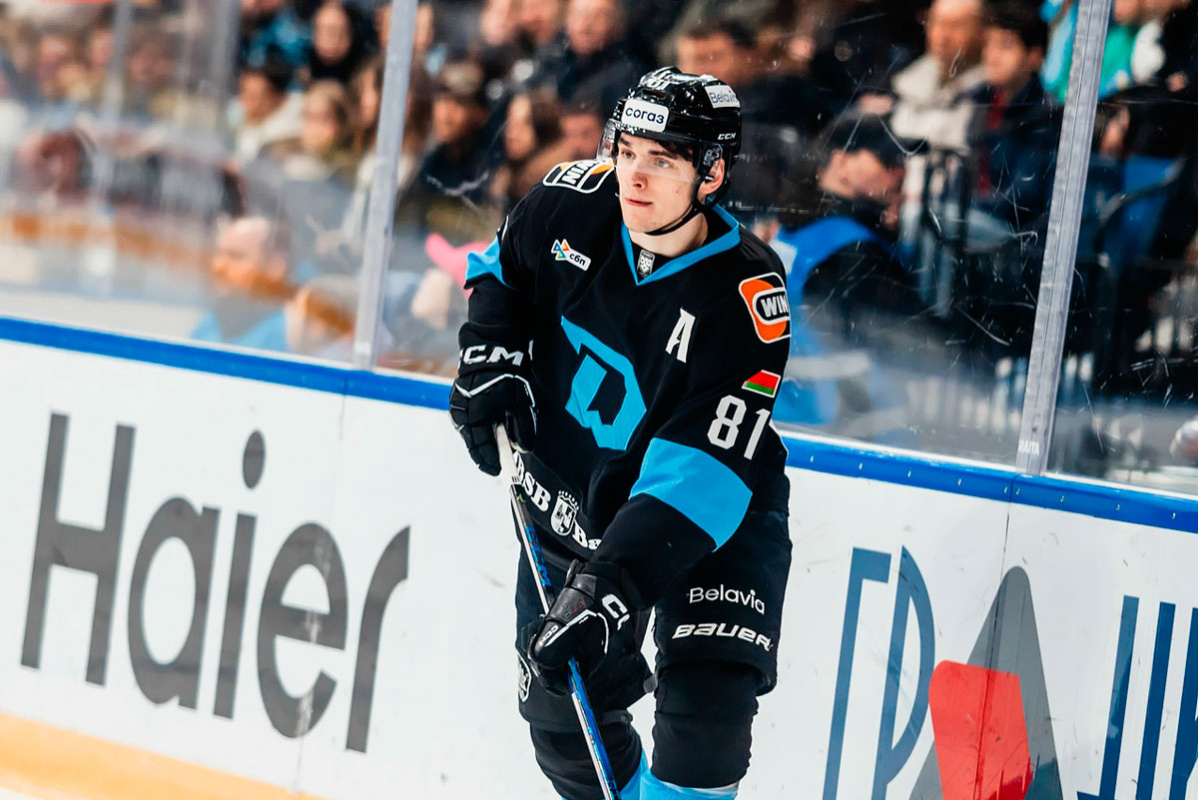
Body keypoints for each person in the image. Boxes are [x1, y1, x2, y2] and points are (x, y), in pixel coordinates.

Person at [449, 67, 792, 799]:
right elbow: (502, 270)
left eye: (661, 160)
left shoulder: (745, 297)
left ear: (711, 175)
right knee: (562, 723)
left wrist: (606, 590)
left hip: (710, 521)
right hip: (572, 495)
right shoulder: (569, 201)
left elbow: (696, 479)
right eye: (627, 150)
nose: (633, 175)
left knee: (706, 727)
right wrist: (489, 354)